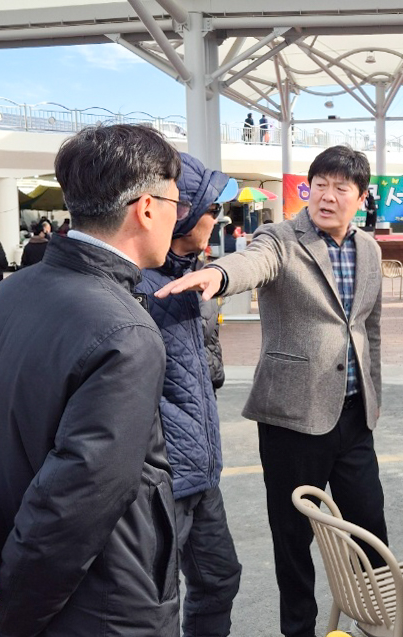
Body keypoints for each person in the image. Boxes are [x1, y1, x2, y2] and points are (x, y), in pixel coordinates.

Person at [0, 124, 182, 637]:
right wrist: (4, 623)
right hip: (101, 605)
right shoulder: (125, 330)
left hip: (7, 581)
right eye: (177, 200)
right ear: (147, 208)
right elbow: (76, 502)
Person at [155, 145, 388, 637]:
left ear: (361, 196)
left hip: (352, 414)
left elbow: (371, 327)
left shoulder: (369, 248)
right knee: (293, 536)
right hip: (291, 416)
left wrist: (375, 396)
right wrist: (218, 276)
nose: (327, 196)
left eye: (340, 187)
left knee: (369, 526)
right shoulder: (281, 237)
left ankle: (380, 620)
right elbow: (251, 264)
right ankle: (298, 630)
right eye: (319, 185)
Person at [136, 153, 241, 637]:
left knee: (219, 579)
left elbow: (201, 363)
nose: (216, 219)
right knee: (156, 605)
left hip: (201, 469)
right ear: (180, 211)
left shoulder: (193, 274)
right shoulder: (136, 287)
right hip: (160, 481)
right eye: (210, 209)